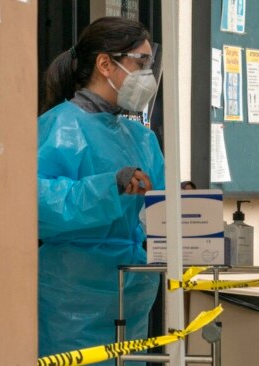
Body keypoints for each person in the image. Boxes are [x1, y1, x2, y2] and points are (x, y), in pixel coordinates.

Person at [38, 17, 164, 362]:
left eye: (150, 63)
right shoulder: (59, 126)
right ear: (105, 63)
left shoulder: (141, 138)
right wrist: (110, 185)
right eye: (140, 62)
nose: (147, 74)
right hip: (72, 299)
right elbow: (37, 205)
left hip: (134, 294)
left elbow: (159, 213)